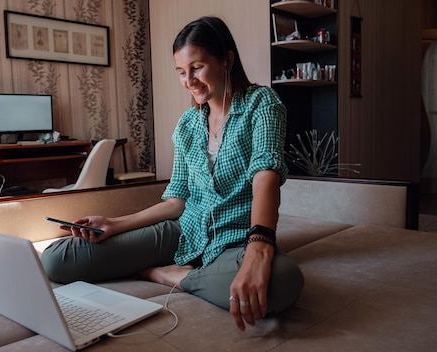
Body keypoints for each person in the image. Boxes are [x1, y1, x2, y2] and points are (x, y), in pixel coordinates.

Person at [41, 16, 304, 332]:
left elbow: (266, 175)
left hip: (237, 239)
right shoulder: (187, 126)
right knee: (56, 259)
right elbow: (177, 200)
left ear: (226, 60)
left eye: (197, 67)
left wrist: (260, 246)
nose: (189, 80)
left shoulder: (262, 104)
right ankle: (187, 270)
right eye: (181, 72)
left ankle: (170, 275)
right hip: (185, 231)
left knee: (282, 282)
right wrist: (114, 224)